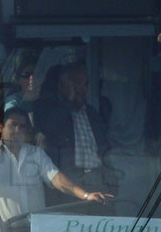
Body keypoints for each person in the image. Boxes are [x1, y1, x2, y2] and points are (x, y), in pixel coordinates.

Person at [0, 107, 112, 232]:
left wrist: (86, 195)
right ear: (2, 127)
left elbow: (56, 178)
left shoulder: (36, 153)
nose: (17, 130)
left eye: (22, 126)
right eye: (13, 125)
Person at [33, 63, 113, 200]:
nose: (81, 88)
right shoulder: (47, 107)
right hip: (67, 184)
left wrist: (111, 180)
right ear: (63, 84)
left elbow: (105, 148)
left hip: (97, 180)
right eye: (76, 83)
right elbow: (49, 128)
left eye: (85, 84)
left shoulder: (92, 112)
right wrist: (68, 101)